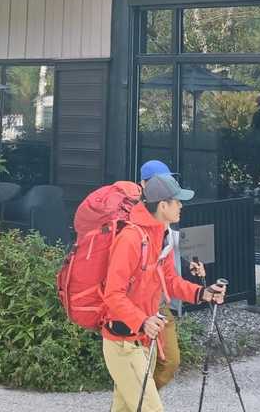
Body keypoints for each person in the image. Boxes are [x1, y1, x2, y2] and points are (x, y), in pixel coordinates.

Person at [102, 173, 224, 412]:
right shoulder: (131, 239)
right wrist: (142, 321)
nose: (181, 206)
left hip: (143, 341)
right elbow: (113, 294)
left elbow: (170, 281)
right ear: (162, 205)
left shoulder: (160, 236)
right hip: (123, 344)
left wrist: (203, 293)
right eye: (177, 201)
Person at [136, 159, 202, 390]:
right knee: (142, 367)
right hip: (138, 308)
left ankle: (143, 398)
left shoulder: (165, 222)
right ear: (143, 184)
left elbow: (174, 240)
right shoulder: (134, 228)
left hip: (159, 303)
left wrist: (194, 262)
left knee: (168, 361)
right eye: (159, 181)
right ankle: (143, 399)